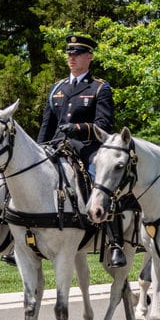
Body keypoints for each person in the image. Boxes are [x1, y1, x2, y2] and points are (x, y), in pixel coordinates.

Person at [37, 33, 124, 267]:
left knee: (101, 179)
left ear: (89, 57)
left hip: (86, 148)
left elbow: (104, 125)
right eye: (69, 54)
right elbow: (47, 126)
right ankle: (20, 238)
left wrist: (78, 128)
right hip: (56, 148)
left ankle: (114, 241)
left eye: (76, 54)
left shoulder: (99, 88)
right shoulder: (58, 88)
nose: (71, 58)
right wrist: (39, 150)